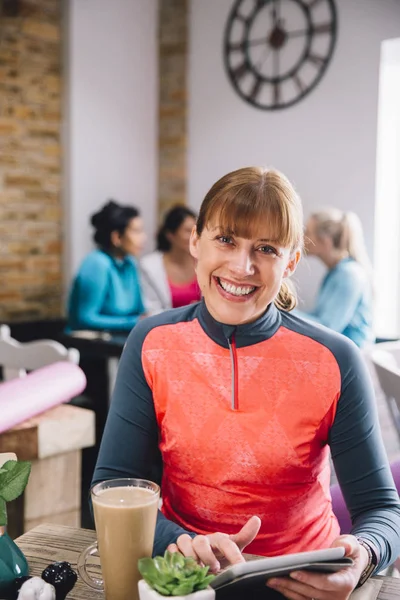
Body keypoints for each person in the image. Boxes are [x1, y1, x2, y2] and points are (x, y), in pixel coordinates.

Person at [92, 168, 400, 599]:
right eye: (226, 240)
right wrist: (176, 540)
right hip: (186, 582)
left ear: (291, 261)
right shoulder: (151, 343)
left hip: (305, 586)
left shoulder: (335, 359)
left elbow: (382, 510)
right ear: (195, 241)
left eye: (266, 249)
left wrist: (361, 557)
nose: (243, 265)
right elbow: (116, 485)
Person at [296, 209, 373, 347]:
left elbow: (328, 327)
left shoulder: (348, 275)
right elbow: (317, 317)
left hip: (354, 360)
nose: (302, 238)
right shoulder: (335, 272)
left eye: (308, 232)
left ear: (325, 241)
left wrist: (282, 314)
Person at [67, 200, 147, 332]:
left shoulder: (130, 263)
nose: (144, 237)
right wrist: (133, 322)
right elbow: (85, 318)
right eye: (136, 232)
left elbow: (139, 310)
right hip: (92, 347)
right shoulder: (97, 263)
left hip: (120, 341)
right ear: (116, 237)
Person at [140, 205, 201, 313]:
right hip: (164, 327)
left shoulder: (203, 262)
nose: (194, 236)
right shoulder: (149, 266)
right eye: (187, 231)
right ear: (170, 235)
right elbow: (151, 311)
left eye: (196, 231)